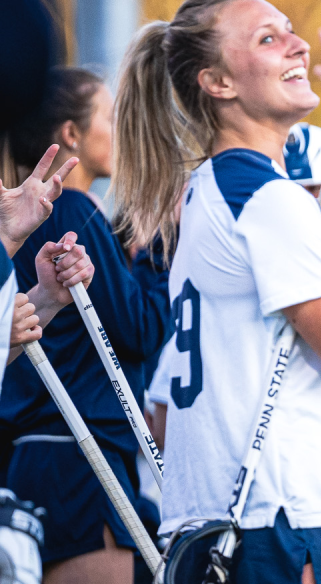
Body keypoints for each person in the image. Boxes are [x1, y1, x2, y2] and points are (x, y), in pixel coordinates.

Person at [109, 0, 321, 584]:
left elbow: (285, 337)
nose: (297, 45)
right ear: (218, 83)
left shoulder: (210, 189)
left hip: (218, 522)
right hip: (285, 521)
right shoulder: (266, 198)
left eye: (289, 28)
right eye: (269, 38)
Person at [0, 67, 170, 584]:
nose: (121, 129)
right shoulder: (74, 207)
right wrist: (160, 250)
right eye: (110, 115)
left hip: (38, 450)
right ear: (72, 133)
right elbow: (139, 327)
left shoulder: (37, 218)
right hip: (79, 451)